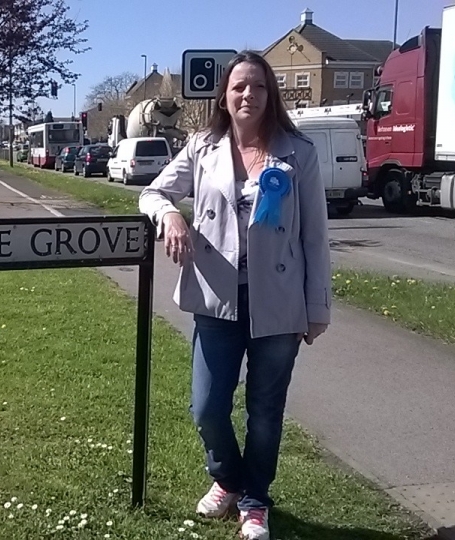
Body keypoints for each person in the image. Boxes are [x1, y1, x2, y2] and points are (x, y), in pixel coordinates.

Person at [138, 51, 331, 540]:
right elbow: (152, 193)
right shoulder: (203, 147)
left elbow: (314, 238)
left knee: (265, 410)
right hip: (215, 297)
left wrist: (317, 307)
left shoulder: (298, 153)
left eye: (259, 87)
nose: (249, 95)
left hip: (279, 302)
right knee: (206, 406)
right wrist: (171, 216)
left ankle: (254, 502)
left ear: (271, 95)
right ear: (225, 95)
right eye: (240, 86)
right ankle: (226, 477)